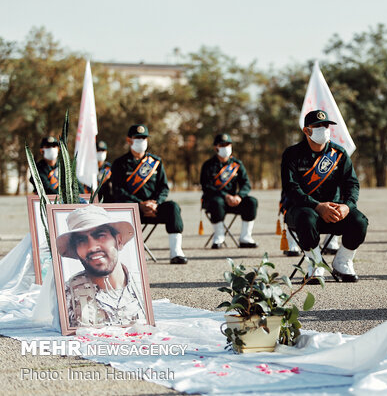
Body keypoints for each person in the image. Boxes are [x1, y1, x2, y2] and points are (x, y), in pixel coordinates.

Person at [281, 109, 368, 283]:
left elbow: (352, 184)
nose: (324, 129)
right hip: (302, 211)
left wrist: (347, 206)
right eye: (318, 126)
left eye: (326, 125)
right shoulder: (292, 154)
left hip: (333, 212)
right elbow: (291, 188)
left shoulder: (339, 154)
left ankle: (343, 261)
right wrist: (317, 206)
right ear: (306, 130)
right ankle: (315, 264)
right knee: (306, 217)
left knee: (360, 221)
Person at [56, 205, 147, 327]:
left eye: (100, 235)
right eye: (81, 240)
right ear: (76, 250)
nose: (92, 247)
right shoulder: (68, 294)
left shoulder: (140, 284)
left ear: (119, 241)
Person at [111, 124, 187, 264]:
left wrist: (155, 203)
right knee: (124, 207)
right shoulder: (119, 164)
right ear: (129, 140)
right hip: (133, 208)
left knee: (173, 207)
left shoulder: (156, 162)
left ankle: (176, 252)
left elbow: (164, 188)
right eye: (137, 138)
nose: (141, 141)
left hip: (154, 207)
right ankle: (129, 255)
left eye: (144, 138)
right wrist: (140, 205)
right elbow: (118, 191)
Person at [200, 133, 258, 248]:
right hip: (215, 201)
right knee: (217, 202)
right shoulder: (208, 165)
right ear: (215, 147)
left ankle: (245, 237)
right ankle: (219, 237)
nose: (226, 147)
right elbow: (206, 187)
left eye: (228, 144)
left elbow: (246, 184)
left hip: (233, 201)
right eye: (222, 145)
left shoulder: (237, 164)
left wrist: (239, 196)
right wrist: (225, 196)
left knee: (252, 201)